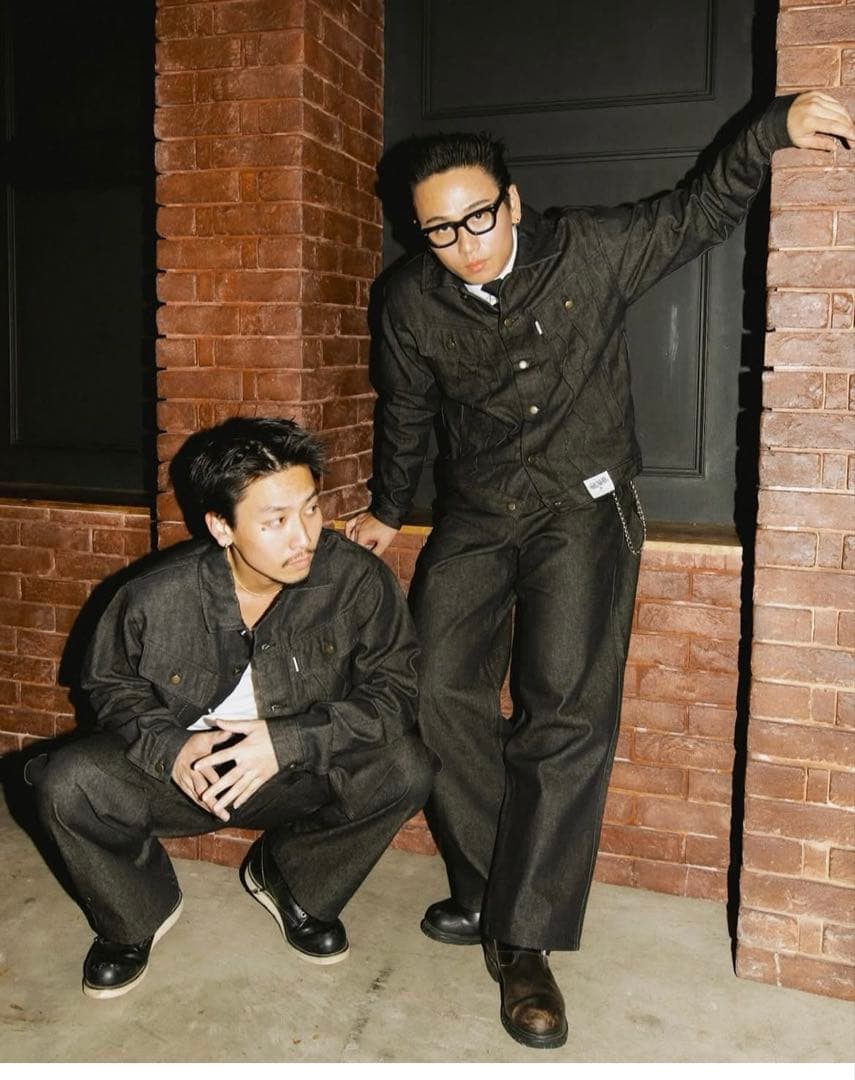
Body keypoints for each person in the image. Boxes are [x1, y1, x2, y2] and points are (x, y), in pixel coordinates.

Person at [345, 91, 855, 1049]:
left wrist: (769, 128)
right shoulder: (408, 299)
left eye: (478, 217)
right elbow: (404, 412)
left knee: (564, 711)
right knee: (434, 688)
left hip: (584, 508)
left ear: (512, 201)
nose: (464, 244)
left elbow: (698, 210)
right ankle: (494, 885)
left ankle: (522, 941)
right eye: (439, 231)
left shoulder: (590, 249)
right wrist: (384, 506)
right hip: (476, 512)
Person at [34, 417, 434, 1000]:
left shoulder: (357, 581)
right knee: (67, 783)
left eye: (310, 509)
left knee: (407, 768)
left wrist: (286, 742)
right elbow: (110, 685)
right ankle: (135, 915)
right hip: (184, 775)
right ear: (222, 526)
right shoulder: (155, 594)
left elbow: (396, 692)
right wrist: (173, 749)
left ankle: (293, 880)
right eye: (275, 521)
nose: (303, 537)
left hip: (296, 769)